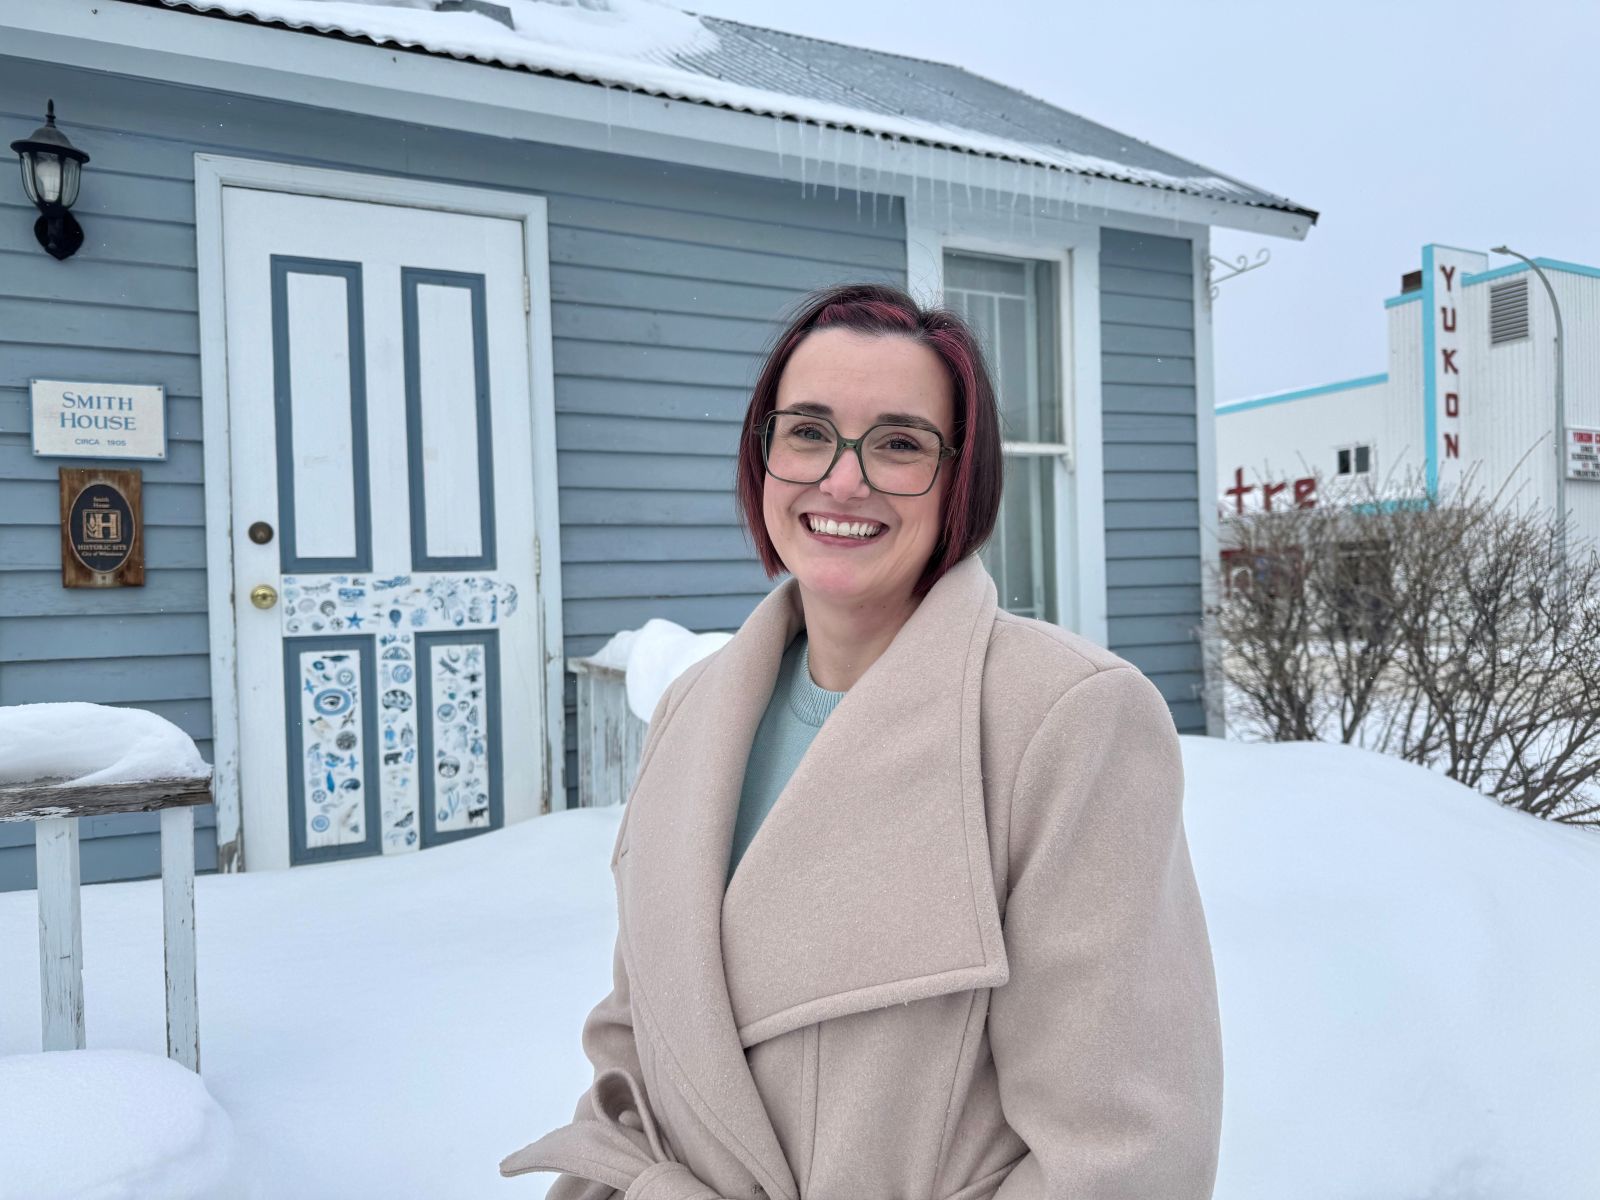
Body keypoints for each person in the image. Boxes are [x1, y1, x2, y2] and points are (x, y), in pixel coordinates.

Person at [501, 283, 1223, 1200]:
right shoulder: (693, 712)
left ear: (961, 480)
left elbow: (1122, 1155)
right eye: (807, 432)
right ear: (762, 456)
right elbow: (636, 1052)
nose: (843, 481)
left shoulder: (1068, 721)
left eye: (899, 444)